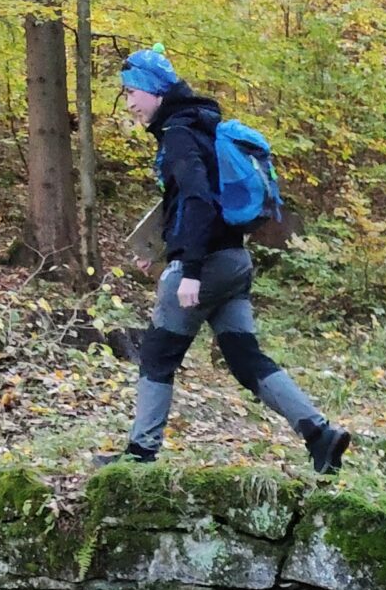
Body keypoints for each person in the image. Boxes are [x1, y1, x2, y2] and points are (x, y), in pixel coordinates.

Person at [106, 48, 349, 472]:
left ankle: (139, 456)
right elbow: (190, 205)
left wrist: (189, 271)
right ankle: (320, 434)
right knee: (243, 356)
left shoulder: (179, 134)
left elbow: (198, 201)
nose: (129, 103)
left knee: (158, 355)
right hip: (235, 260)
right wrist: (161, 251)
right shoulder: (202, 127)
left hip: (207, 267)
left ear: (155, 91)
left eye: (132, 93)